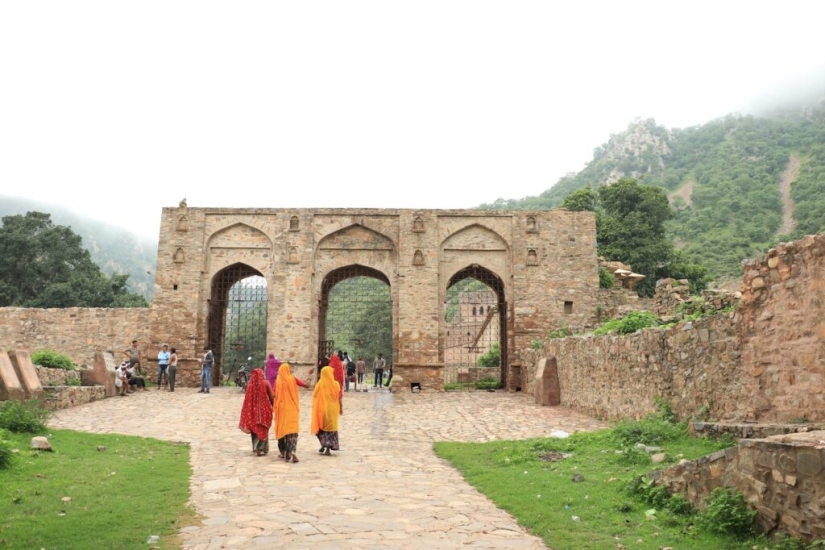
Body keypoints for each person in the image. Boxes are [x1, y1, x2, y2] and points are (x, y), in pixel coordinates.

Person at [273, 363, 306, 463]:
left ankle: (283, 452)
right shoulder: (292, 379)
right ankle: (292, 452)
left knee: (283, 430)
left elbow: (273, 394)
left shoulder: (278, 381)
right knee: (292, 431)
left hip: (282, 409)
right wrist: (308, 382)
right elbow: (304, 384)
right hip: (292, 408)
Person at [238, 368, 274, 456]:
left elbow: (247, 399)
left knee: (254, 428)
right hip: (263, 411)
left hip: (252, 411)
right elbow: (271, 396)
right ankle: (261, 448)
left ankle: (255, 447)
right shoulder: (266, 383)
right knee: (263, 428)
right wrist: (273, 406)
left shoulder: (250, 384)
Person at [311, 366, 342, 456]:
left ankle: (323, 445)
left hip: (322, 409)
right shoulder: (336, 384)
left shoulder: (320, 383)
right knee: (331, 429)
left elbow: (314, 394)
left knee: (321, 428)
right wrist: (341, 408)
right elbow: (339, 397)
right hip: (333, 410)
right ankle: (327, 448)